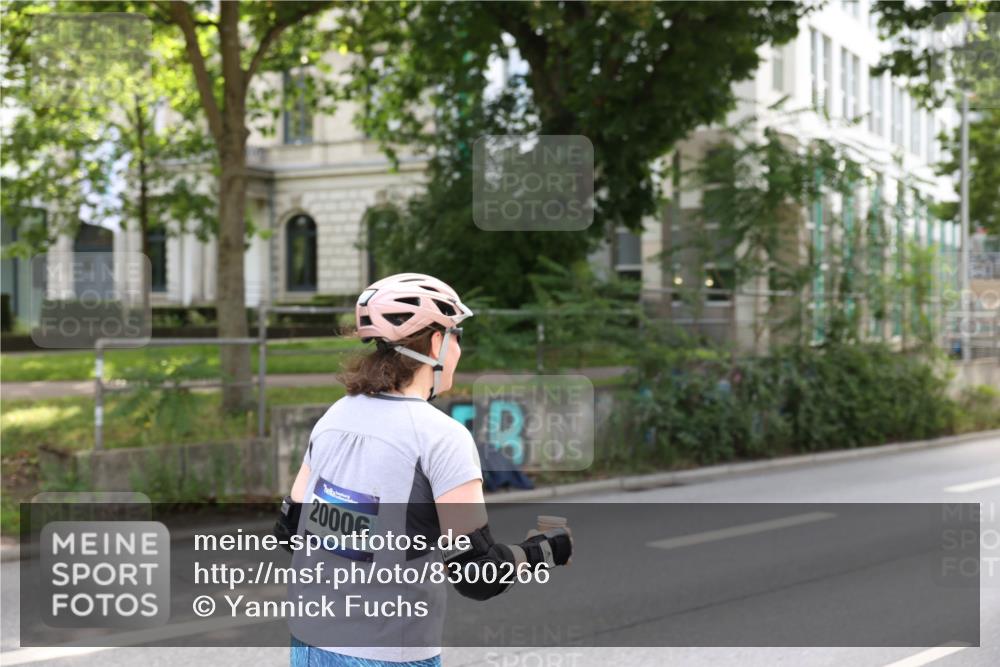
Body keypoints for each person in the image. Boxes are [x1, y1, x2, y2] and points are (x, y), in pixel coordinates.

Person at [279, 273, 573, 667]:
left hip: (309, 644)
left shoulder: (334, 416)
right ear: (437, 342)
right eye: (458, 336)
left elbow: (289, 529)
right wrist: (544, 551)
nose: (459, 350)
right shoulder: (441, 437)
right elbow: (477, 575)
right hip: (387, 652)